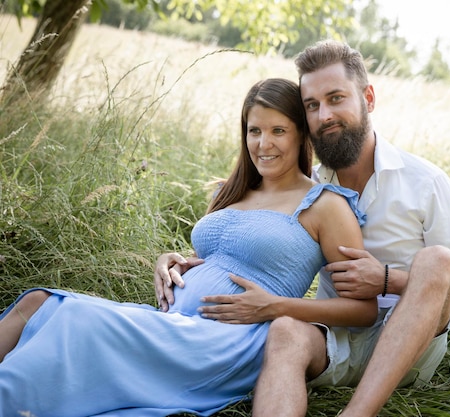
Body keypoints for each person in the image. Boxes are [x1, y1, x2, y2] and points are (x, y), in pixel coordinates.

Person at [0, 78, 378, 417]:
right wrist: (171, 260)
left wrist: (276, 307)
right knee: (36, 303)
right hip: (175, 324)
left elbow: (362, 310)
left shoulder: (325, 204)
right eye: (254, 131)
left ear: (301, 135)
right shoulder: (231, 192)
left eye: (278, 130)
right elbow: (217, 258)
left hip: (224, 343)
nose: (264, 144)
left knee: (76, 320)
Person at [154, 40, 450, 417]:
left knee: (437, 259)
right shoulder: (310, 186)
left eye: (336, 98)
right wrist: (183, 263)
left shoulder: (425, 182)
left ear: (368, 98)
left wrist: (389, 280)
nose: (324, 115)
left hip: (412, 339)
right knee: (284, 331)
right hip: (338, 334)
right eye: (312, 105)